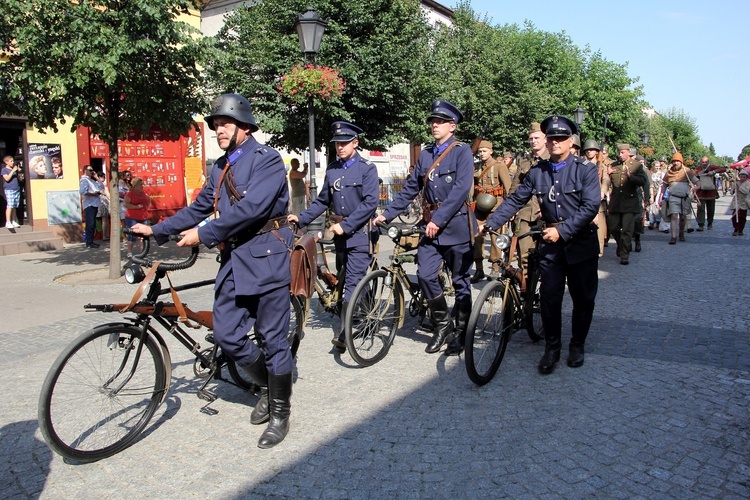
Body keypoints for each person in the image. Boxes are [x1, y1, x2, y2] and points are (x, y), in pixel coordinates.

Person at [130, 93, 294, 449]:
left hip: (267, 259)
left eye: (225, 123)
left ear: (244, 126)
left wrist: (204, 234)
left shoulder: (267, 161)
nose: (218, 129)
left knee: (272, 338)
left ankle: (280, 412)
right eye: (216, 124)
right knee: (227, 334)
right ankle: (267, 383)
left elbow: (252, 209)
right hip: (235, 261)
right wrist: (158, 229)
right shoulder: (220, 167)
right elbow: (201, 206)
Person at [483, 115, 599, 374]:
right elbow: (515, 200)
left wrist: (564, 230)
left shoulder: (585, 169)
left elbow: (590, 206)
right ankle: (552, 348)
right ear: (546, 141)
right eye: (551, 138)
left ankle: (577, 345)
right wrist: (491, 222)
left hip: (581, 243)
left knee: (583, 298)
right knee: (549, 298)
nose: (555, 142)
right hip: (551, 246)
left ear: (571, 141)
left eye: (561, 138)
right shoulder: (538, 171)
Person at [373, 100, 475, 356]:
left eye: (440, 122)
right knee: (427, 276)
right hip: (429, 228)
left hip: (456, 226)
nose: (434, 125)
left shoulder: (461, 151)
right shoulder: (427, 154)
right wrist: (387, 214)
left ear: (452, 126)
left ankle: (462, 333)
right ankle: (443, 325)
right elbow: (410, 188)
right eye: (432, 121)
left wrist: (438, 220)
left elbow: (461, 189)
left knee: (461, 282)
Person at [289, 121, 379, 351]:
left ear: (355, 143)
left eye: (345, 143)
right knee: (349, 276)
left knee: (352, 281)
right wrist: (302, 218)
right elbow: (322, 201)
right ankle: (369, 315)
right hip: (339, 237)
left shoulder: (367, 168)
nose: (340, 147)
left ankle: (344, 332)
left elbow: (370, 204)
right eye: (337, 143)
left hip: (359, 234)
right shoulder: (333, 169)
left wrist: (347, 225)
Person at [510, 122, 549, 276]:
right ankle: (527, 292)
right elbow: (514, 188)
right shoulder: (524, 163)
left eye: (537, 138)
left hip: (546, 213)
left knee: (548, 256)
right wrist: (511, 210)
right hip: (525, 214)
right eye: (531, 138)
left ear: (545, 139)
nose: (534, 141)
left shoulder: (552, 159)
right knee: (524, 256)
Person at [471, 140, 511, 282]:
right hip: (480, 207)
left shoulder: (500, 166)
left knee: (495, 238)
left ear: (491, 151)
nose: (482, 154)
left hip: (496, 207)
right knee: (477, 237)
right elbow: (472, 187)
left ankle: (494, 268)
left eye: (484, 151)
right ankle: (479, 269)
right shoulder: (475, 167)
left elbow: (508, 188)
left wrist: (509, 210)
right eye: (480, 151)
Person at [606, 143, 647, 265]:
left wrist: (631, 177)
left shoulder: (636, 166)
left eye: (623, 152)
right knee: (613, 227)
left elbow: (643, 181)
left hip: (630, 202)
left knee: (627, 230)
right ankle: (622, 245)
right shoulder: (613, 166)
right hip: (616, 202)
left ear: (629, 152)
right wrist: (607, 174)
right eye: (619, 152)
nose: (620, 155)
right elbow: (608, 182)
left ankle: (624, 255)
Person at [657, 152, 697, 244]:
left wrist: (693, 189)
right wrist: (661, 197)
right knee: (674, 216)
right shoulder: (669, 173)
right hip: (673, 197)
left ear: (681, 162)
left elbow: (697, 183)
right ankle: (673, 237)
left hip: (684, 197)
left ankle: (681, 233)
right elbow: (664, 186)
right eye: (674, 161)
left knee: (683, 217)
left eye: (677, 161)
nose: (675, 163)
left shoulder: (687, 171)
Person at [582, 139, 610, 257]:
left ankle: (598, 252)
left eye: (592, 150)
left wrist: (603, 191)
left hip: (598, 202)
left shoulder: (602, 167)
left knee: (599, 229)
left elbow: (606, 180)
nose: (589, 152)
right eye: (587, 150)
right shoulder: (581, 165)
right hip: (584, 200)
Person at [693, 156, 726, 231]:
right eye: (703, 162)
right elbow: (692, 175)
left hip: (711, 191)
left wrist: (714, 172)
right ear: (700, 162)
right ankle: (701, 224)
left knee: (711, 208)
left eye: (706, 162)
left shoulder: (712, 167)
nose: (704, 164)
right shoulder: (698, 168)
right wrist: (698, 174)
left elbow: (723, 169)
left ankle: (710, 223)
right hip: (701, 191)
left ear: (708, 162)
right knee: (700, 208)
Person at [123, 177, 151, 255]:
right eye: (140, 184)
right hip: (132, 218)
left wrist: (146, 208)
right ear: (135, 185)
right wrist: (136, 207)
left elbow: (148, 200)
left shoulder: (144, 193)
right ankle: (129, 252)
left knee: (143, 235)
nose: (142, 186)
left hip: (143, 217)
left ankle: (142, 253)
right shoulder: (130, 194)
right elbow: (125, 204)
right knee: (132, 234)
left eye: (142, 184)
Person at [79, 165, 102, 248]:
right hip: (89, 205)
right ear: (85, 171)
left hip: (95, 204)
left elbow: (101, 186)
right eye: (90, 170)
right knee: (90, 224)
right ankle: (89, 242)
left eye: (92, 170)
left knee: (93, 224)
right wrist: (94, 194)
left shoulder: (92, 180)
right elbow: (82, 192)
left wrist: (96, 177)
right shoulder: (84, 180)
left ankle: (91, 241)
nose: (92, 171)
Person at [2, 155, 22, 228]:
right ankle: (8, 222)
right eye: (11, 161)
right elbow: (7, 179)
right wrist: (13, 171)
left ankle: (13, 221)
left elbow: (20, 179)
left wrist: (19, 173)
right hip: (9, 189)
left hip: (16, 188)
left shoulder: (13, 169)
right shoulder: (4, 170)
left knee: (14, 205)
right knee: (10, 205)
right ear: (6, 162)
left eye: (13, 161)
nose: (13, 162)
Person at [730, 169, 750, 236]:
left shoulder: (748, 184)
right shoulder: (736, 182)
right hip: (736, 201)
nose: (742, 178)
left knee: (742, 217)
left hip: (744, 202)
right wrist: (733, 189)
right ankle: (736, 229)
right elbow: (731, 192)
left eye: (744, 177)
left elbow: (746, 192)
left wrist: (740, 187)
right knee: (735, 216)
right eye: (741, 177)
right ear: (739, 176)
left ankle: (740, 230)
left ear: (746, 177)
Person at [95, 170, 111, 241]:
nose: (104, 179)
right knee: (105, 220)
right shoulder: (103, 185)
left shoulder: (94, 184)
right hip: (104, 202)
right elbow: (108, 195)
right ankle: (105, 235)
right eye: (103, 177)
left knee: (103, 219)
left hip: (98, 202)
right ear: (99, 177)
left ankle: (104, 235)